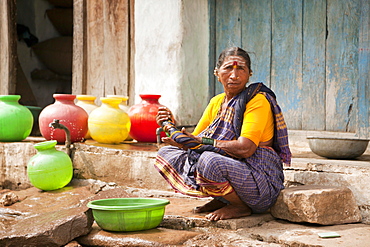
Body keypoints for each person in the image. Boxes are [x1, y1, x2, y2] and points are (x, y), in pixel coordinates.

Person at [154, 47, 291, 221]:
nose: (234, 75)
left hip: (260, 181)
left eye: (241, 69)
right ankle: (224, 199)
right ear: (217, 73)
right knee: (167, 153)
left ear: (250, 74)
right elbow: (193, 143)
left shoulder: (257, 101)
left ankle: (240, 206)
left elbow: (245, 149)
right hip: (235, 170)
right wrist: (171, 127)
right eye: (228, 68)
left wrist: (202, 141)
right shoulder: (217, 101)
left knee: (209, 160)